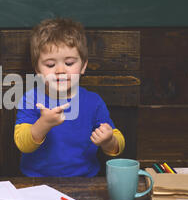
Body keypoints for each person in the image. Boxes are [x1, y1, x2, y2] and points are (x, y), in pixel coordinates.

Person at [14, 18, 125, 177]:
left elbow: (117, 143)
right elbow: (22, 144)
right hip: (36, 182)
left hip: (85, 181)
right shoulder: (30, 99)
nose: (60, 70)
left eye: (69, 63)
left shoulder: (93, 102)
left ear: (83, 66)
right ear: (37, 69)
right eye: (50, 65)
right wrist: (43, 124)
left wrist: (108, 140)